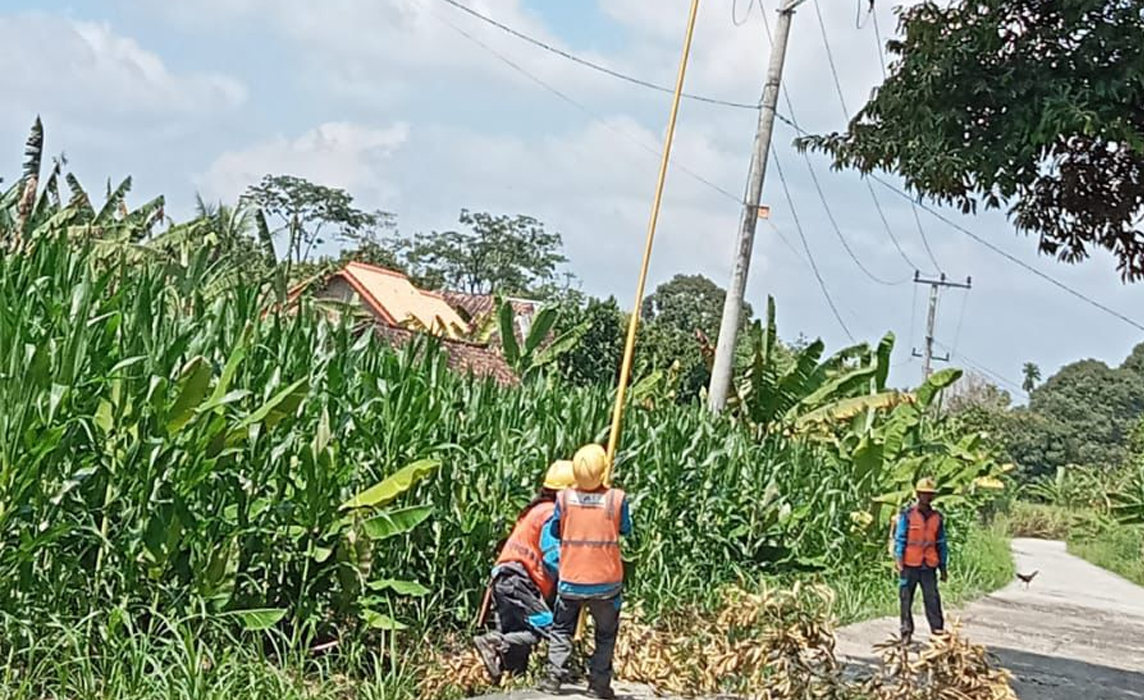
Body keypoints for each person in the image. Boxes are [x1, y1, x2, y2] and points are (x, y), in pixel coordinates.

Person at [541, 444, 632, 700]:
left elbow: (556, 530)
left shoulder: (564, 498)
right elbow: (626, 528)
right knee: (605, 635)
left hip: (571, 579)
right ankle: (598, 685)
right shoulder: (616, 498)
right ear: (603, 470)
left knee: (561, 629)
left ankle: (552, 679)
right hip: (606, 584)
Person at [473, 460, 576, 682]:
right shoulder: (550, 515)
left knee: (523, 640)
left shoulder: (536, 510)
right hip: (519, 582)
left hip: (506, 581)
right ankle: (493, 642)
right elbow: (552, 558)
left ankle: (509, 675)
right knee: (552, 629)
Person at [894, 477, 948, 643]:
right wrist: (899, 560)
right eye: (924, 494)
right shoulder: (907, 515)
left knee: (932, 600)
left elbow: (941, 544)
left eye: (930, 494)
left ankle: (938, 632)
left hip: (929, 566)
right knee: (906, 599)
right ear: (918, 494)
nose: (927, 497)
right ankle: (906, 633)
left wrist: (943, 568)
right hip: (909, 565)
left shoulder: (937, 517)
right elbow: (900, 539)